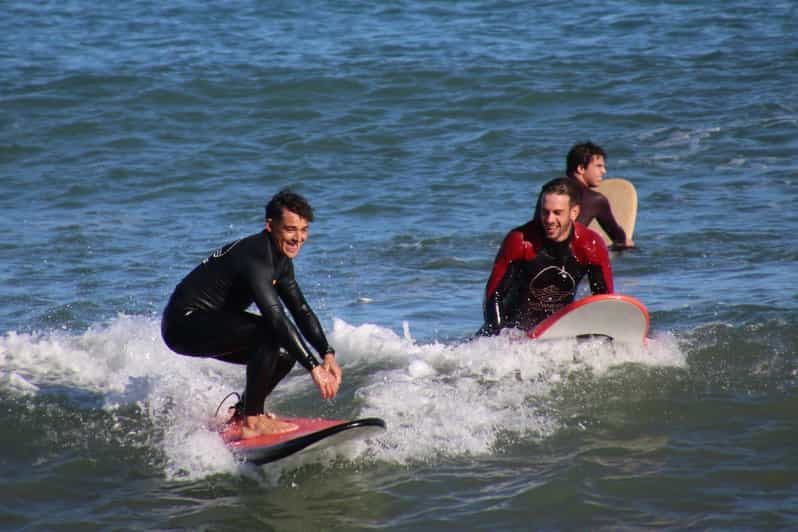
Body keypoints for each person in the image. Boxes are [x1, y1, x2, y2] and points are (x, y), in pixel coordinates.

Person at [161, 189, 342, 439]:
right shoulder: (256, 256)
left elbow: (300, 310)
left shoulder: (280, 261)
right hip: (184, 324)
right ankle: (252, 422)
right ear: (270, 225)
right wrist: (314, 368)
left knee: (284, 354)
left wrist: (327, 353)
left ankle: (243, 413)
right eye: (290, 229)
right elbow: (276, 317)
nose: (298, 238)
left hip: (210, 324)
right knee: (267, 332)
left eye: (304, 230)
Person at [479, 177, 614, 335]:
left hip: (556, 331)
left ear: (574, 212)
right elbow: (493, 294)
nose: (549, 219)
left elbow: (604, 299)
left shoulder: (590, 245)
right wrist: (499, 336)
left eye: (557, 213)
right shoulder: (520, 241)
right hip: (511, 330)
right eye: (545, 212)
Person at [566, 142, 634, 249]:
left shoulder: (549, 189)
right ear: (581, 169)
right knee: (628, 249)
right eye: (598, 166)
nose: (604, 171)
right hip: (568, 258)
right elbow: (618, 237)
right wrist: (626, 242)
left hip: (539, 255)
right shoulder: (596, 200)